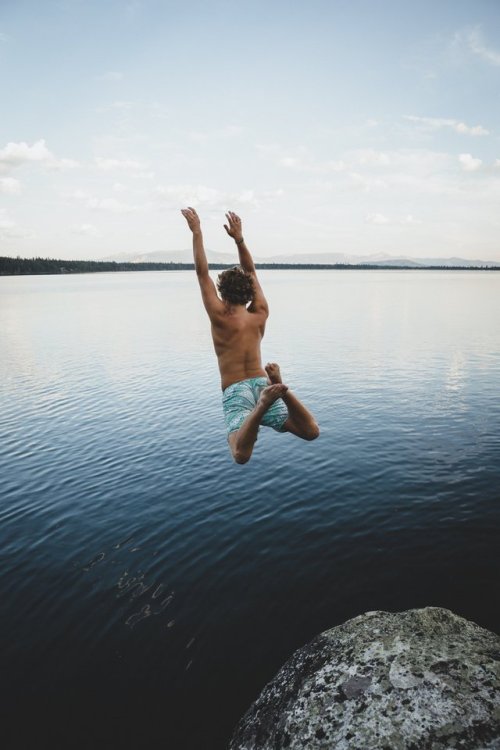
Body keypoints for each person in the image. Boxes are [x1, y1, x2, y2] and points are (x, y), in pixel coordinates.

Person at [180, 207, 319, 464]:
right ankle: (280, 389)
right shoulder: (260, 313)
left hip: (236, 390)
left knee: (240, 454)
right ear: (249, 292)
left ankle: (261, 407)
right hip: (262, 381)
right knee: (311, 432)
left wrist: (197, 232)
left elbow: (202, 274)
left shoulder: (219, 316)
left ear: (222, 291)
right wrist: (239, 239)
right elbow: (251, 272)